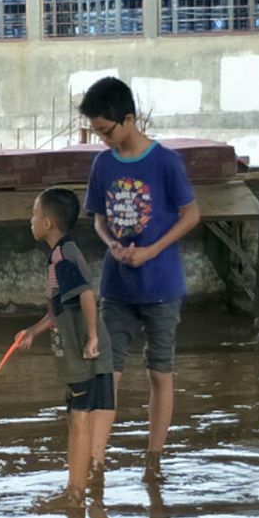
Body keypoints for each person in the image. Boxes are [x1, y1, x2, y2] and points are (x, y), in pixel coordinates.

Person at [81, 76, 200, 482]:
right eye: (97, 132)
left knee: (159, 372)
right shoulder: (103, 164)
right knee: (106, 372)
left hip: (162, 286)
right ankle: (96, 461)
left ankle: (154, 457)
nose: (102, 140)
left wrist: (151, 250)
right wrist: (111, 242)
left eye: (106, 130)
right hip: (117, 286)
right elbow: (98, 219)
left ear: (128, 119)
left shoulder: (165, 162)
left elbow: (191, 215)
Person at [14, 188, 116, 506]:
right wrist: (33, 331)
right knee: (76, 416)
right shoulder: (61, 254)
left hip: (82, 351)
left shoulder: (62, 257)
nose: (30, 221)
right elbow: (60, 309)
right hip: (76, 347)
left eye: (33, 214)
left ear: (46, 223)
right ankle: (75, 489)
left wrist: (92, 338)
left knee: (79, 418)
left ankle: (75, 493)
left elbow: (86, 296)